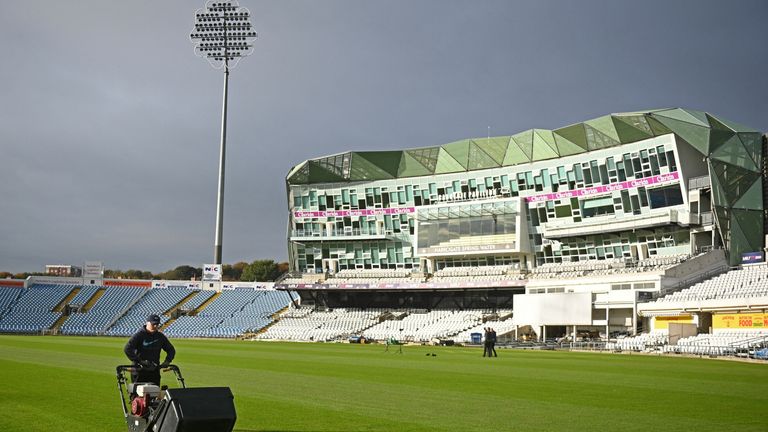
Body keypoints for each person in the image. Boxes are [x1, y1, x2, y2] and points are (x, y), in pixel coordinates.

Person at [124, 314, 175, 386]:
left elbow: (171, 350)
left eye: (157, 324)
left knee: (155, 393)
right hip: (139, 371)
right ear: (147, 323)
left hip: (154, 371)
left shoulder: (160, 336)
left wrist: (167, 361)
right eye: (153, 324)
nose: (155, 326)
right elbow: (127, 349)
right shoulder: (139, 335)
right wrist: (140, 361)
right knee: (139, 394)